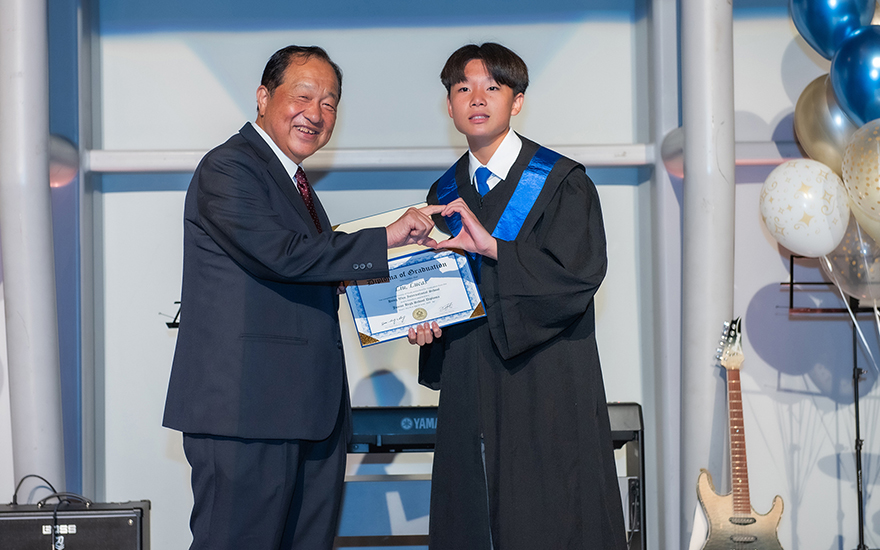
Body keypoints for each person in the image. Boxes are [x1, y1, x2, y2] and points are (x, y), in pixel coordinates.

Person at [162, 45, 437, 550]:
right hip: (247, 415)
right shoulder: (229, 167)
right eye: (303, 96)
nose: (316, 113)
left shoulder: (295, 184)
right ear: (264, 97)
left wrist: (415, 295)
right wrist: (385, 239)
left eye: (330, 103)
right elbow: (283, 256)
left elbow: (309, 270)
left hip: (310, 414)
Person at [408, 43, 627, 550]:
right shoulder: (443, 195)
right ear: (449, 105)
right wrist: (425, 325)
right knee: (470, 513)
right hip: (470, 377)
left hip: (545, 378)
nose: (477, 98)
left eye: (492, 87)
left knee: (549, 515)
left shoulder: (560, 182)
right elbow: (446, 290)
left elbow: (578, 276)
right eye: (463, 88)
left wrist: (495, 250)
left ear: (517, 101)